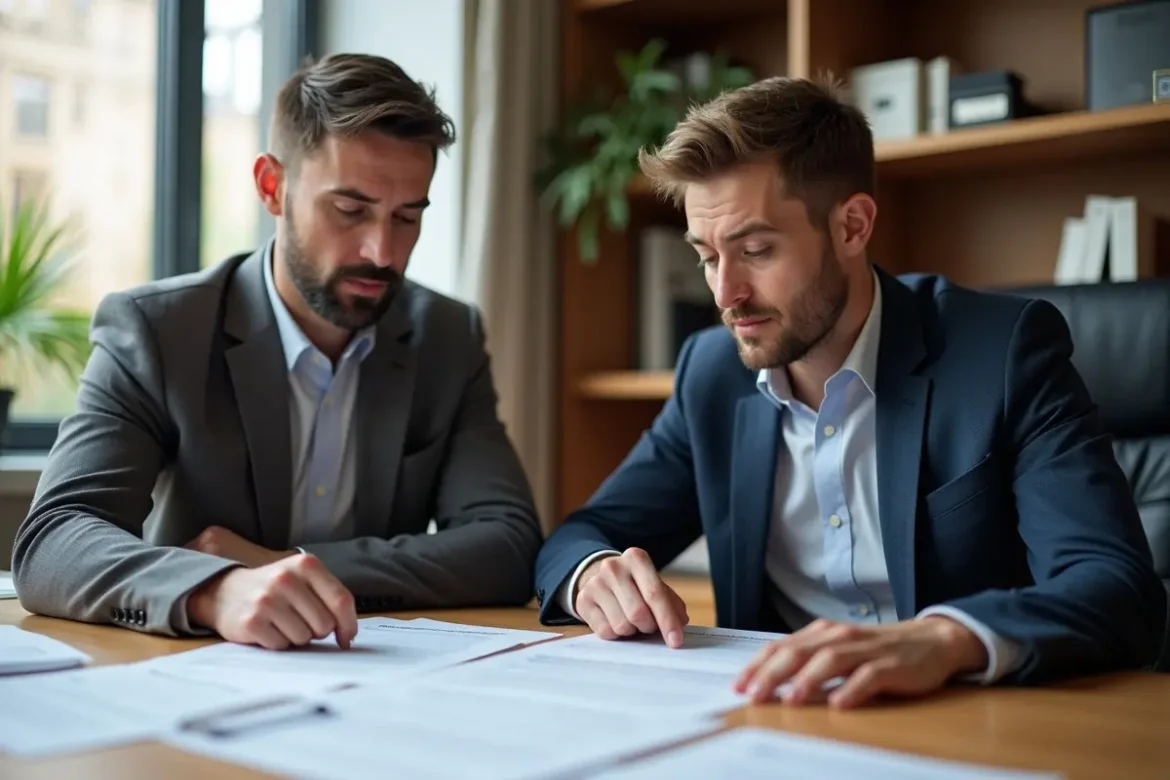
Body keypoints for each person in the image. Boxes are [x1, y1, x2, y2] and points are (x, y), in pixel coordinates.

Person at [533, 76, 1166, 708]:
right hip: (785, 721)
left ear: (852, 226)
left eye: (755, 250)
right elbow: (583, 533)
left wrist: (947, 639)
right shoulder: (712, 372)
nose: (725, 294)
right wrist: (592, 574)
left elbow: (1116, 588)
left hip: (966, 718)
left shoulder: (1001, 354)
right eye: (706, 255)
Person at [12, 53, 542, 650]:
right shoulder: (158, 331)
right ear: (272, 186)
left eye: (407, 217)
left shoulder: (448, 336)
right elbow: (53, 541)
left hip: (377, 668)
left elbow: (506, 543)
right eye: (350, 210)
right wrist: (215, 589)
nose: (382, 252)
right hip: (190, 667)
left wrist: (287, 563)